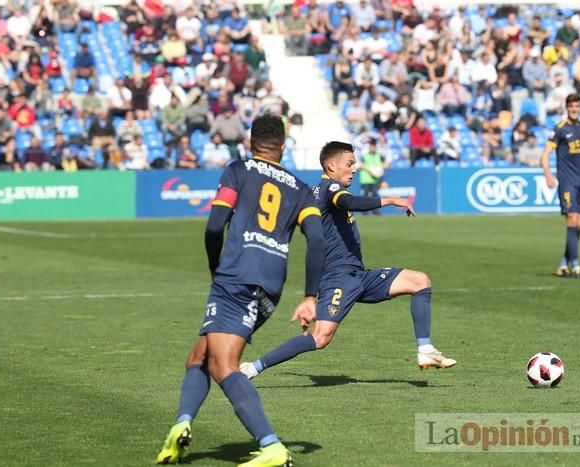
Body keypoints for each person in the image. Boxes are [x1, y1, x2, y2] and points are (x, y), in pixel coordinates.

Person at [155, 115, 324, 466]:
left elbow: (215, 224)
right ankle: (181, 426)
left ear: (250, 143)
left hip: (236, 277)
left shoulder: (239, 170)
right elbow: (317, 239)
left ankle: (272, 445)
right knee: (199, 357)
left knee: (223, 365)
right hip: (271, 285)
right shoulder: (300, 188)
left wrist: (215, 268)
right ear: (282, 146)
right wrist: (310, 296)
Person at [239, 141, 455, 384]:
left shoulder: (319, 191)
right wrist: (392, 199)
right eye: (349, 164)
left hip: (358, 275)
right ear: (331, 166)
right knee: (320, 338)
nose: (354, 169)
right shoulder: (330, 187)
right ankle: (252, 368)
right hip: (337, 278)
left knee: (419, 281)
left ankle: (425, 349)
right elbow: (349, 202)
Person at [540, 94, 580, 279]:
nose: (574, 109)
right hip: (567, 182)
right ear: (566, 107)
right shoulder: (559, 130)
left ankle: (564, 263)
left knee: (579, 223)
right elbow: (544, 155)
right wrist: (548, 175)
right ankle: (576, 264)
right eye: (571, 106)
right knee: (572, 220)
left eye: (577, 106)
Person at [358, 138, 387, 208]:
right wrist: (371, 171)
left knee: (375, 195)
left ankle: (375, 210)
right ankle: (364, 210)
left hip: (375, 180)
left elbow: (384, 164)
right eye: (371, 146)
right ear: (369, 147)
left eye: (374, 146)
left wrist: (380, 170)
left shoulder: (378, 155)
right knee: (365, 195)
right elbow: (360, 164)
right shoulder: (364, 155)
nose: (373, 148)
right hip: (366, 179)